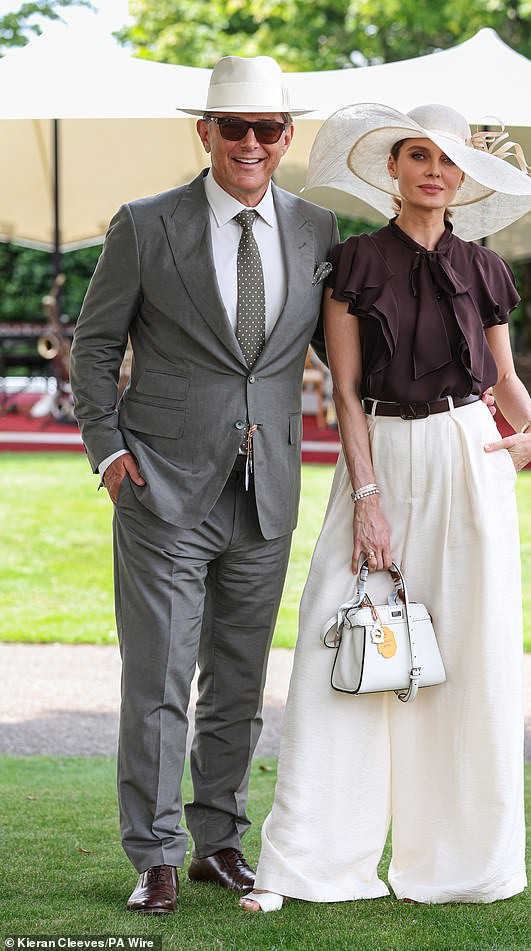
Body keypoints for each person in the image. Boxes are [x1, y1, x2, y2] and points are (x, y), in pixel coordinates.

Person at [239, 101, 531, 912]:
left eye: (447, 160)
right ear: (393, 168)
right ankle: (310, 863)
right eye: (417, 155)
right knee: (335, 645)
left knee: (470, 654)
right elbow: (345, 391)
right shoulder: (354, 264)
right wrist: (369, 497)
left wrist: (529, 436)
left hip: (469, 454)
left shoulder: (485, 268)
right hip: (379, 454)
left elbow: (505, 376)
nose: (431, 170)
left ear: (462, 178)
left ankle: (462, 863)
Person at [69, 55, 339, 914]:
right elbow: (95, 346)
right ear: (206, 133)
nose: (251, 144)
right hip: (161, 489)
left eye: (267, 130)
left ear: (286, 138)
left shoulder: (317, 230)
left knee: (238, 677)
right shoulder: (145, 226)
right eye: (235, 128)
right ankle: (153, 851)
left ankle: (219, 840)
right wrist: (108, 452)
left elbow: (347, 350)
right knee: (158, 678)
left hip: (267, 491)